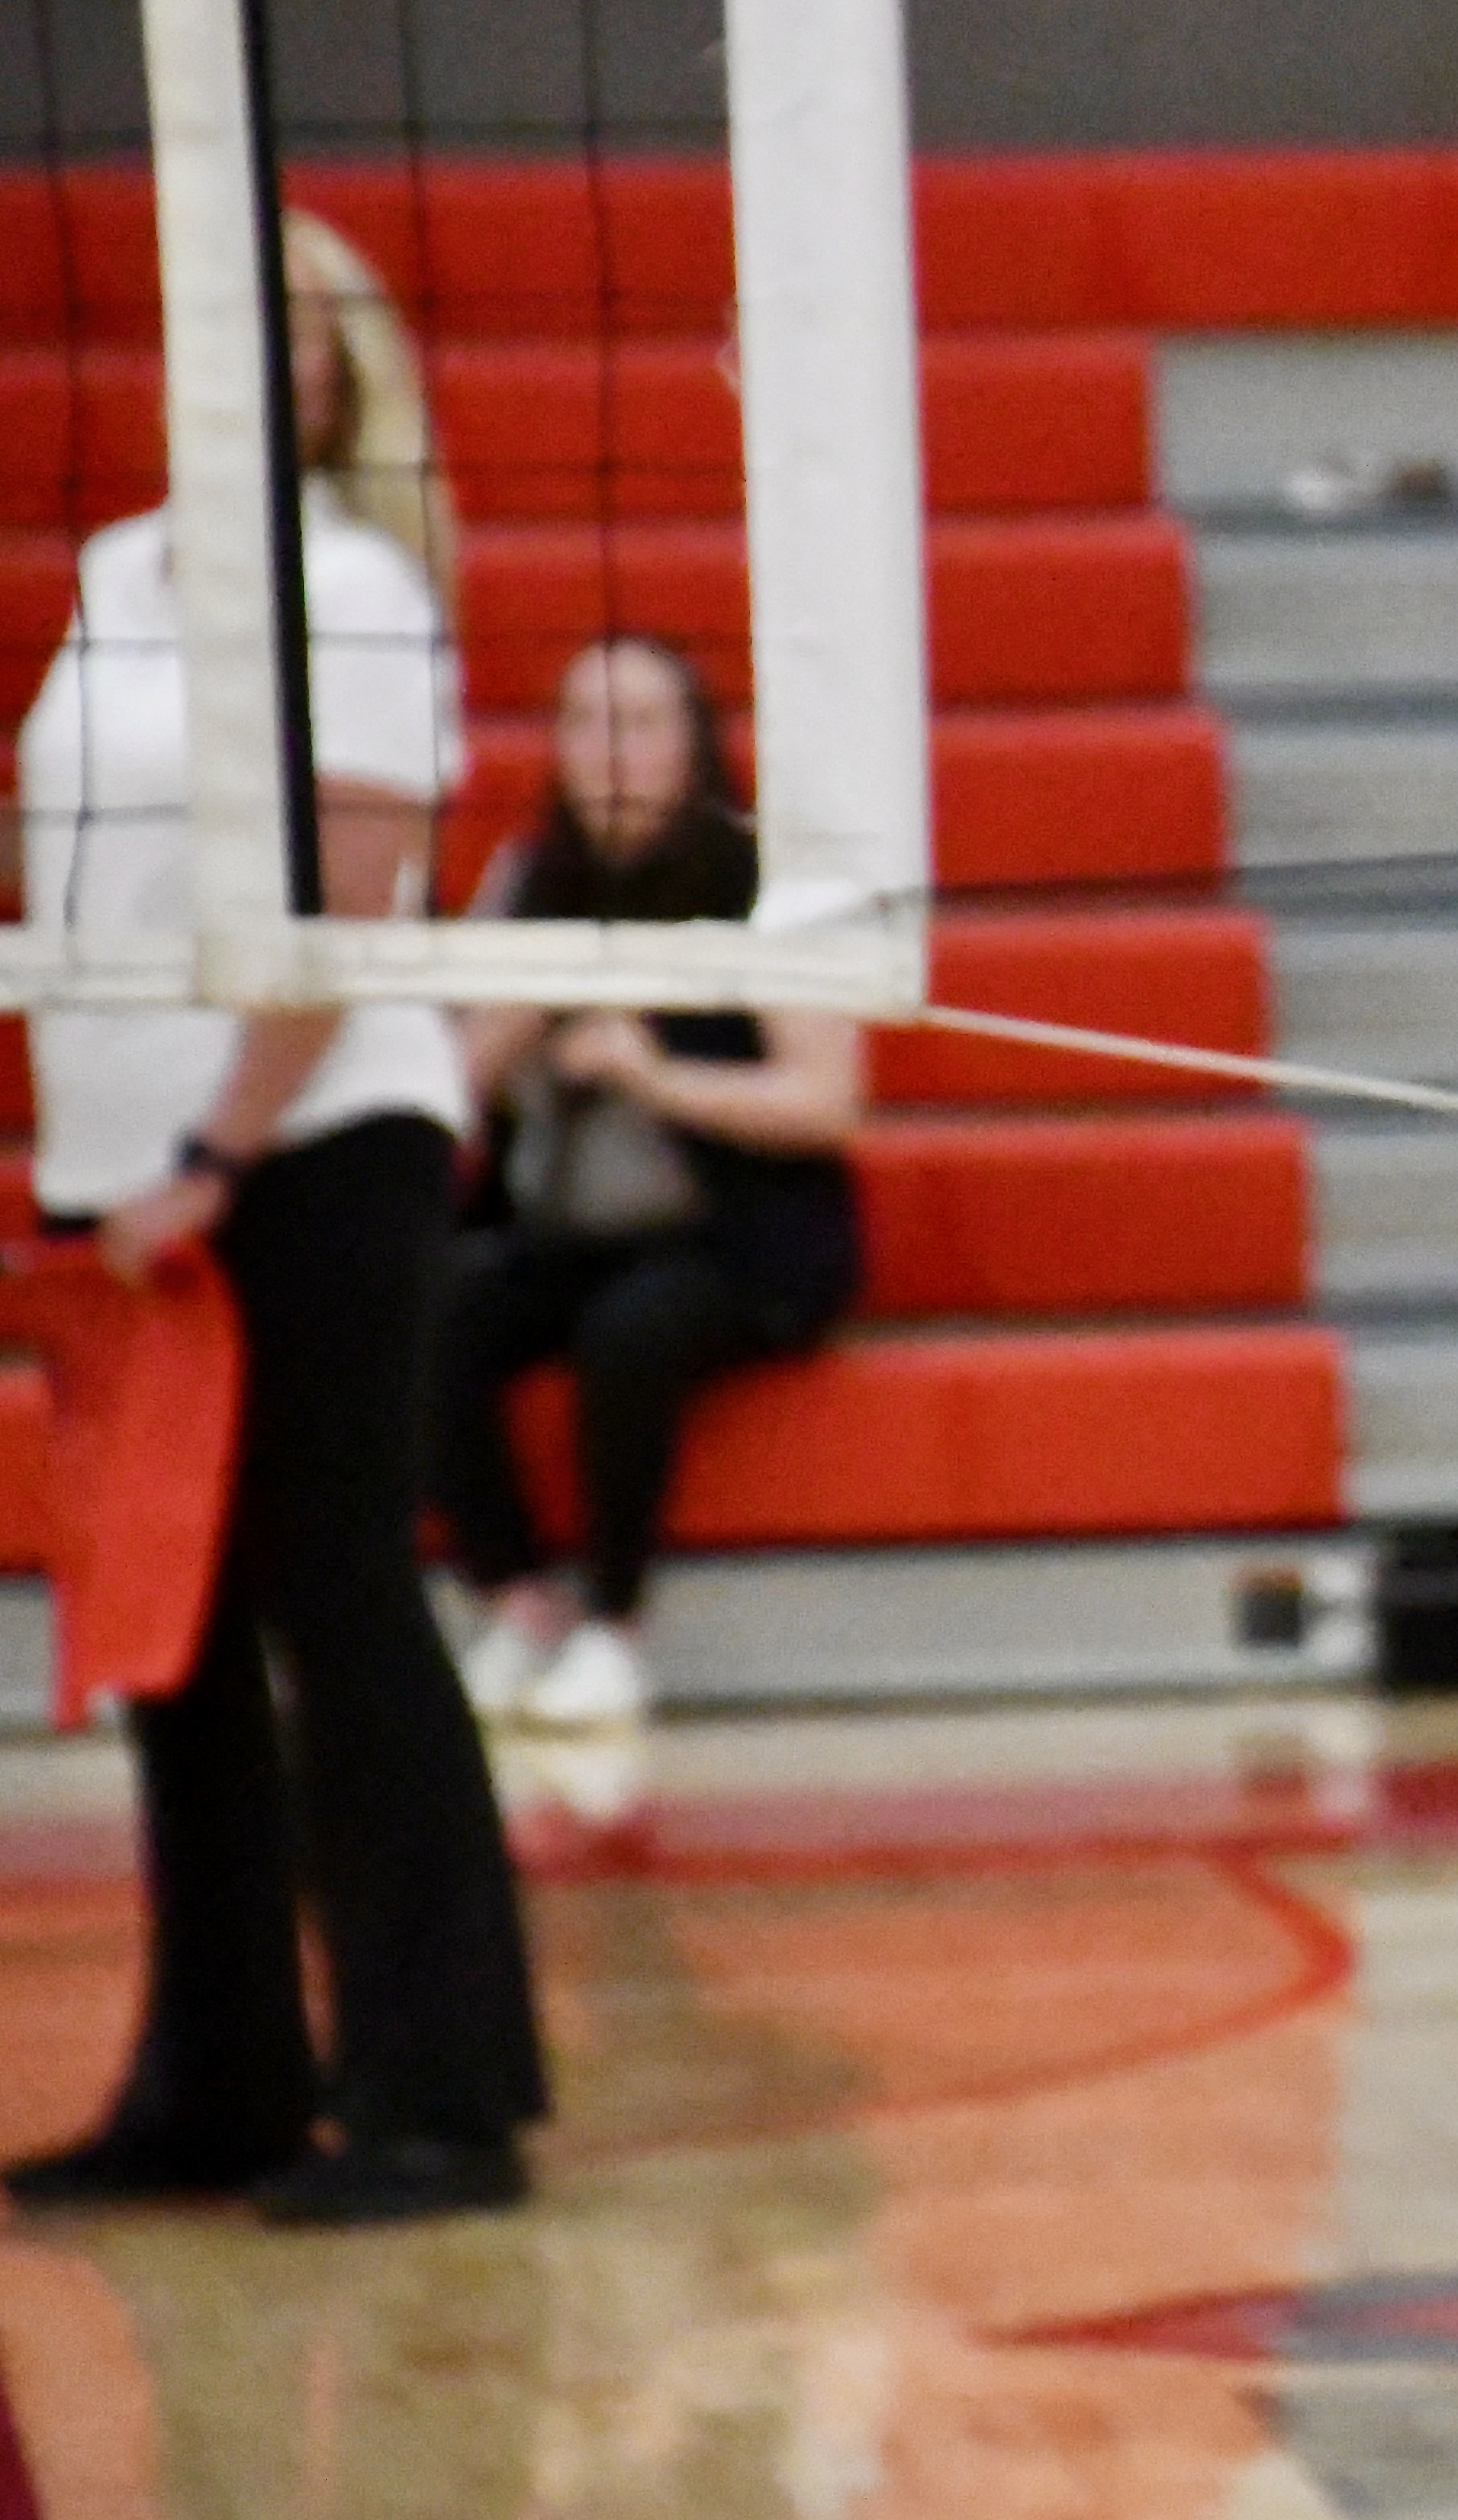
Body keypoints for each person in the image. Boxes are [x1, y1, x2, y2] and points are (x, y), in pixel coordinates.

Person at [5, 211, 547, 2226]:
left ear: (335, 377)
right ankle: (220, 2086)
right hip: (129, 1171)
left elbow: (346, 901)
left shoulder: (355, 585)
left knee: (337, 1592)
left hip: (311, 1142)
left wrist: (220, 1151)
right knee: (175, 1632)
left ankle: (444, 2100)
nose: (246, 359)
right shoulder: (116, 572)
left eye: (291, 332)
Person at [432, 633, 865, 1732]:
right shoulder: (527, 878)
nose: (606, 749)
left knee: (630, 1330)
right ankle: (519, 1602)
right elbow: (444, 1095)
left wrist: (655, 1076)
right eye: (581, 722)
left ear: (694, 743)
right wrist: (509, 1022)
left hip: (740, 1239)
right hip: (564, 1228)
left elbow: (827, 1101)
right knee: (423, 1313)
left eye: (637, 722)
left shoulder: (758, 879)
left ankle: (616, 1628)